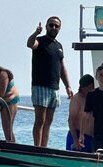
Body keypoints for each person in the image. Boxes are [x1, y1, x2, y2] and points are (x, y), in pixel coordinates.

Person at [27, 16, 74, 147]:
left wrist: (68, 86)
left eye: (56, 26)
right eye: (51, 25)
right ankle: (37, 147)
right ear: (47, 26)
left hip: (55, 88)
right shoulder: (40, 41)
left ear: (59, 28)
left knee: (48, 121)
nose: (53, 28)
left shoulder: (59, 46)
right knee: (40, 120)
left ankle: (44, 147)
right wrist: (36, 33)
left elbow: (62, 66)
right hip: (40, 86)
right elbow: (30, 44)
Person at [66, 74, 95, 152]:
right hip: (77, 136)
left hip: (90, 138)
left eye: (89, 87)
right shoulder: (77, 98)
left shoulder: (93, 98)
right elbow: (70, 120)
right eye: (84, 87)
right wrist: (75, 140)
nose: (86, 89)